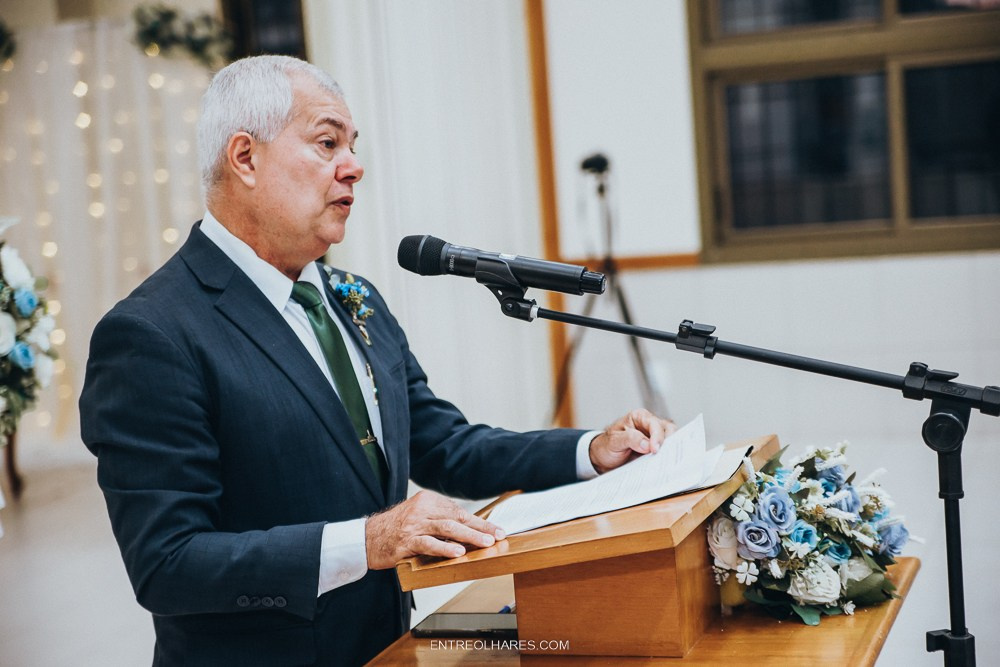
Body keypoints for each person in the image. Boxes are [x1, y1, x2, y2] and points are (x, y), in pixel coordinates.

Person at [79, 55, 674, 666]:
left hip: (389, 648)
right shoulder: (151, 333)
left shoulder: (350, 296)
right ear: (245, 158)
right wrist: (366, 541)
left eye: (353, 146)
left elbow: (444, 445)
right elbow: (167, 564)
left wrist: (588, 451)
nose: (354, 167)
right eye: (326, 142)